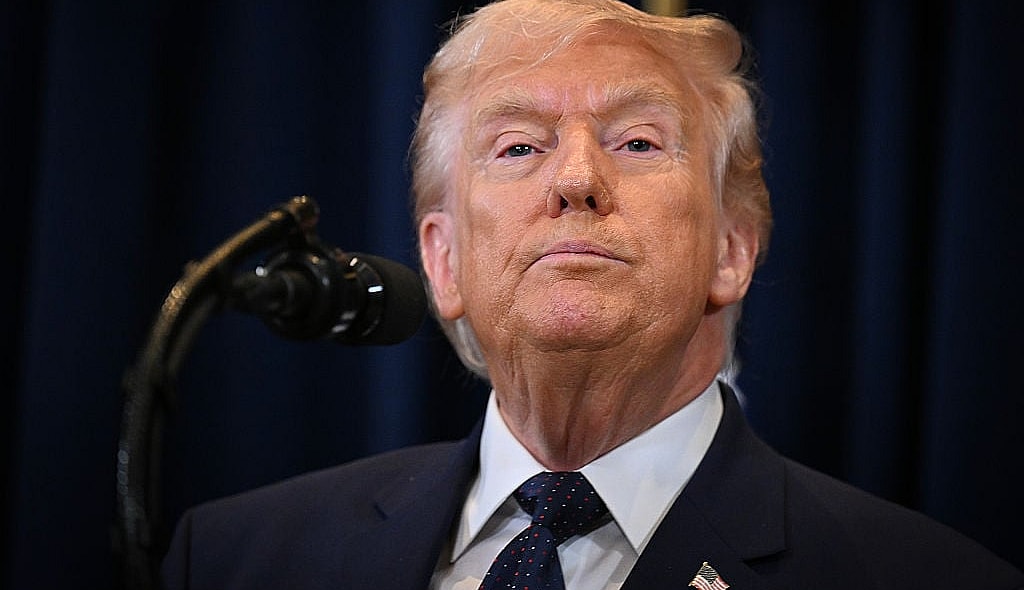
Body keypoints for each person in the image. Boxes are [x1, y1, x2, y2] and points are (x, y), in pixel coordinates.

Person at [161, 0, 1024, 588]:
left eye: (638, 142)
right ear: (444, 261)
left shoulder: (924, 577)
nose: (576, 179)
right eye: (518, 147)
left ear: (732, 250)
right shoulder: (237, 560)